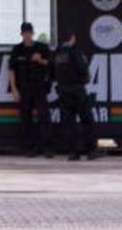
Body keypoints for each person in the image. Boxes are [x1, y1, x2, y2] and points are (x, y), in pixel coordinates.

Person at [8, 21, 53, 156]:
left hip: (39, 87)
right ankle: (30, 148)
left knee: (44, 117)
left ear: (33, 33)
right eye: (24, 33)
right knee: (26, 118)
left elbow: (52, 64)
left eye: (29, 32)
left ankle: (47, 148)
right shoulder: (17, 50)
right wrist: (14, 89)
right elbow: (11, 70)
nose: (27, 35)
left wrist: (41, 60)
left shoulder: (42, 47)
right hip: (24, 89)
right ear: (21, 34)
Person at [53, 30, 97, 161]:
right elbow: (83, 69)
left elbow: (52, 72)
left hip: (63, 91)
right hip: (77, 91)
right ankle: (90, 151)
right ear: (72, 38)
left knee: (69, 123)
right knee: (87, 120)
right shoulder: (75, 51)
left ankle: (73, 152)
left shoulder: (56, 54)